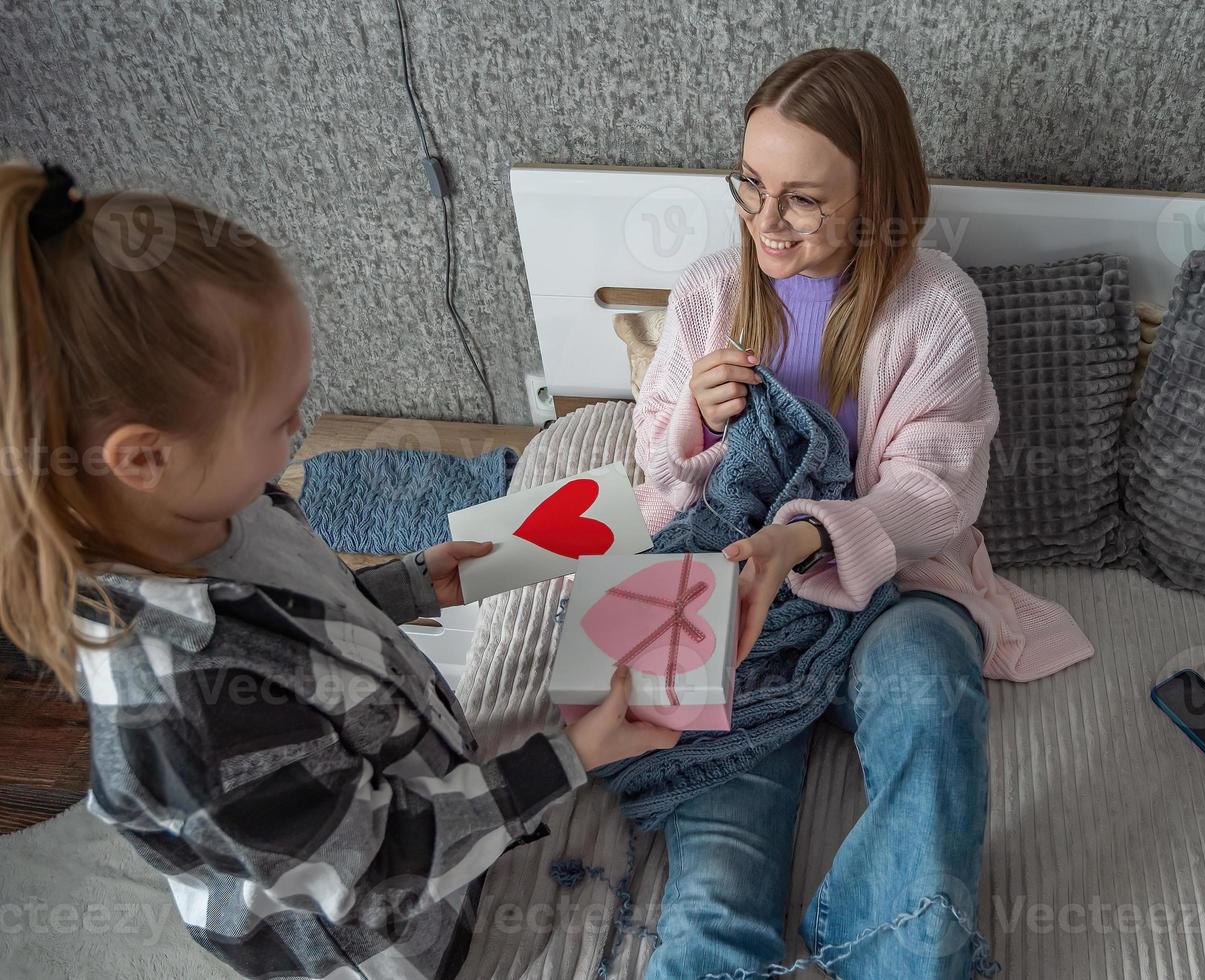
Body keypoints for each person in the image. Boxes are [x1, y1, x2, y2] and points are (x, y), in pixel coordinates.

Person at [0, 160, 677, 980]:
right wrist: (566, 757)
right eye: (284, 419)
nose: (300, 434)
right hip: (398, 936)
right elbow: (380, 875)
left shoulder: (224, 506)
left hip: (423, 788)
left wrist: (410, 583)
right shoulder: (184, 711)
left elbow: (301, 633)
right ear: (144, 457)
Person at [632, 49, 1094, 978]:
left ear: (876, 198)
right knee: (714, 883)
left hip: (890, 588)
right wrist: (695, 416)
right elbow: (653, 460)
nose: (766, 221)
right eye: (751, 184)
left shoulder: (938, 310)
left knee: (931, 684)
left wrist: (799, 537)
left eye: (802, 199)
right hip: (741, 601)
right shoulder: (708, 294)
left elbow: (934, 492)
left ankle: (898, 951)